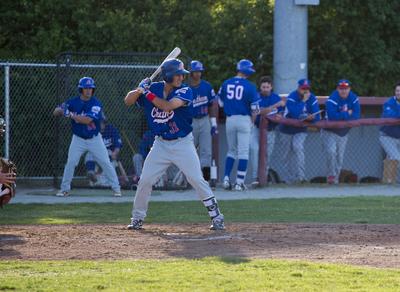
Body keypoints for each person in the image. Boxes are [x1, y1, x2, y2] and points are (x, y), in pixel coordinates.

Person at [124, 58, 224, 230]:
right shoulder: (153, 88)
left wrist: (146, 93)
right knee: (145, 180)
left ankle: (217, 217)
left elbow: (168, 106)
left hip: (182, 143)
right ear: (168, 75)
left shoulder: (185, 91)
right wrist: (139, 88)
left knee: (196, 179)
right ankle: (137, 218)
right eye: (177, 75)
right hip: (160, 144)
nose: (181, 78)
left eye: (181, 75)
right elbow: (128, 101)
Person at [53, 77, 122, 197]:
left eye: (91, 88)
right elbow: (55, 112)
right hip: (78, 139)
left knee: (106, 162)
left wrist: (70, 114)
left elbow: (87, 120)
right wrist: (61, 110)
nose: (89, 90)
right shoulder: (73, 102)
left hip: (94, 139)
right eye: (86, 88)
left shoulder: (96, 103)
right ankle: (64, 189)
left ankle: (116, 189)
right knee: (71, 163)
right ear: (81, 89)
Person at [218, 59, 260, 191]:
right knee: (243, 152)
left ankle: (225, 179)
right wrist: (252, 121)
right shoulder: (250, 86)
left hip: (230, 119)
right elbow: (255, 109)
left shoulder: (226, 83)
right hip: (244, 119)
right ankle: (239, 182)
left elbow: (220, 103)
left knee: (231, 151)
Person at [279, 79, 321, 184]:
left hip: (301, 129)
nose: (305, 91)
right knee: (286, 155)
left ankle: (301, 178)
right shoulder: (292, 96)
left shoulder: (312, 97)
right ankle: (288, 179)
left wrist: (312, 118)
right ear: (298, 88)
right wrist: (303, 101)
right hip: (287, 128)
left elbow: (317, 115)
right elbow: (294, 114)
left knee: (298, 147)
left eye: (307, 88)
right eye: (303, 88)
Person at [323, 79, 360, 184]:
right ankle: (331, 175)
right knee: (331, 152)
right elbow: (332, 116)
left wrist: (342, 115)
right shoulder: (333, 98)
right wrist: (347, 114)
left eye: (346, 88)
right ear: (337, 89)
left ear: (349, 89)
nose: (343, 91)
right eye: (341, 88)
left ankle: (335, 179)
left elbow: (356, 116)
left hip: (343, 133)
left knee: (339, 157)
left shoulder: (353, 98)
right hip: (329, 131)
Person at [249, 76, 285, 186]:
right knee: (254, 150)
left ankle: (264, 177)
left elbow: (281, 113)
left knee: (267, 154)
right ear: (260, 87)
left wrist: (279, 114)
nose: (265, 89)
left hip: (270, 130)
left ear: (271, 87)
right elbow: (257, 112)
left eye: (267, 87)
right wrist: (273, 107)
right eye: (263, 87)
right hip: (256, 128)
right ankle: (255, 177)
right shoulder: (255, 96)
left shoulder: (276, 97)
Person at [189, 60, 218, 181]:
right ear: (191, 72)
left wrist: (214, 123)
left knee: (206, 151)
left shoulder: (206, 86)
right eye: (195, 72)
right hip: (191, 121)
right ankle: (189, 179)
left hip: (205, 119)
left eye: (199, 71)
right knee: (189, 150)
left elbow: (213, 105)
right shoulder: (186, 88)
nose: (198, 74)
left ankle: (205, 179)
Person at [85, 119, 128, 187]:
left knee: (108, 155)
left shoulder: (111, 129)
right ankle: (91, 173)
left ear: (105, 123)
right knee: (89, 154)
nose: (101, 124)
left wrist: (115, 153)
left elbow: (117, 144)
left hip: (109, 152)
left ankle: (102, 180)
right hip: (97, 152)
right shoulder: (94, 130)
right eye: (99, 123)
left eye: (102, 123)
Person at [379, 81, 400, 183]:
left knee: (391, 158)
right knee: (396, 157)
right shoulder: (389, 102)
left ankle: (388, 181)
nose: (398, 93)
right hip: (387, 136)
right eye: (397, 90)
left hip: (398, 137)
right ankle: (391, 181)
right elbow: (390, 115)